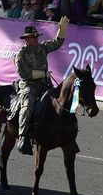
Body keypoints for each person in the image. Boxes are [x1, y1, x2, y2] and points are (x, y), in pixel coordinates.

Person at [13, 18, 68, 155]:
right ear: (27, 39)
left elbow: (56, 43)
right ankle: (22, 136)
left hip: (45, 84)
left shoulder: (42, 47)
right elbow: (24, 73)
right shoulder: (21, 54)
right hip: (29, 85)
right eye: (33, 37)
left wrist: (62, 30)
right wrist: (43, 74)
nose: (35, 39)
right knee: (27, 105)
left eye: (36, 36)